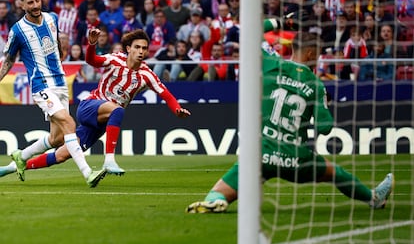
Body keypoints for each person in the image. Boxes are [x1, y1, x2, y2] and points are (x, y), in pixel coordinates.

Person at [186, 24, 394, 213]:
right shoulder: (316, 84)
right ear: (312, 53)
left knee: (219, 191)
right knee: (334, 173)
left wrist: (276, 23)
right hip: (297, 158)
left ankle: (217, 199)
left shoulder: (271, 63)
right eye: (319, 55)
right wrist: (324, 105)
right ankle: (373, 198)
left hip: (262, 155)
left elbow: (247, 32)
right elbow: (325, 127)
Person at [0, 29, 191, 177]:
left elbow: (166, 94)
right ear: (128, 49)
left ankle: (14, 167)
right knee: (118, 110)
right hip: (91, 106)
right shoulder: (116, 59)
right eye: (137, 47)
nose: (141, 52)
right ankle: (109, 160)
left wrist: (177, 109)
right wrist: (91, 45)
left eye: (144, 48)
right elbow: (92, 60)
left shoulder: (147, 74)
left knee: (62, 154)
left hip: (102, 122)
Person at [0, 0, 106, 187]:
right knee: (69, 124)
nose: (35, 5)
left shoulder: (52, 19)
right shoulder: (18, 31)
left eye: (37, 0)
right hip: (42, 86)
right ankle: (88, 173)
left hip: (60, 82)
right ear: (22, 5)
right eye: (30, 2)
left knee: (57, 138)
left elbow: (56, 43)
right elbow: (9, 61)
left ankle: (21, 156)